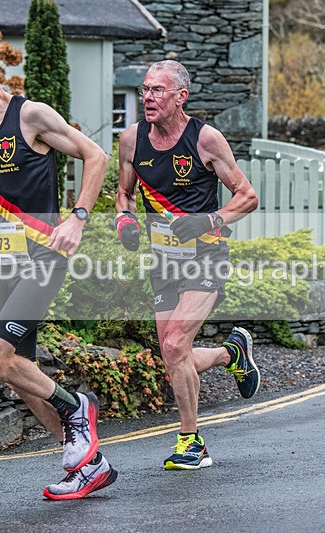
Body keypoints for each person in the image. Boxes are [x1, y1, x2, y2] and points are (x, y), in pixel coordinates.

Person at [0, 30, 116, 499]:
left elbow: (96, 155)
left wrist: (78, 218)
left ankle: (77, 406)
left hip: (44, 255)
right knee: (16, 369)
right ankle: (88, 465)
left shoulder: (30, 116)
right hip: (4, 262)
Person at [115, 60, 260, 470]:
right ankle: (230, 354)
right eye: (145, 90)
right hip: (164, 261)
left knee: (176, 343)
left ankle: (191, 441)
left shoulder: (206, 140)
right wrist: (123, 218)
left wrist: (209, 219)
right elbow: (123, 192)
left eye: (158, 90)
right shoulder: (131, 140)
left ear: (182, 96)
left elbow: (246, 197)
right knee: (172, 355)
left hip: (206, 256)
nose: (148, 97)